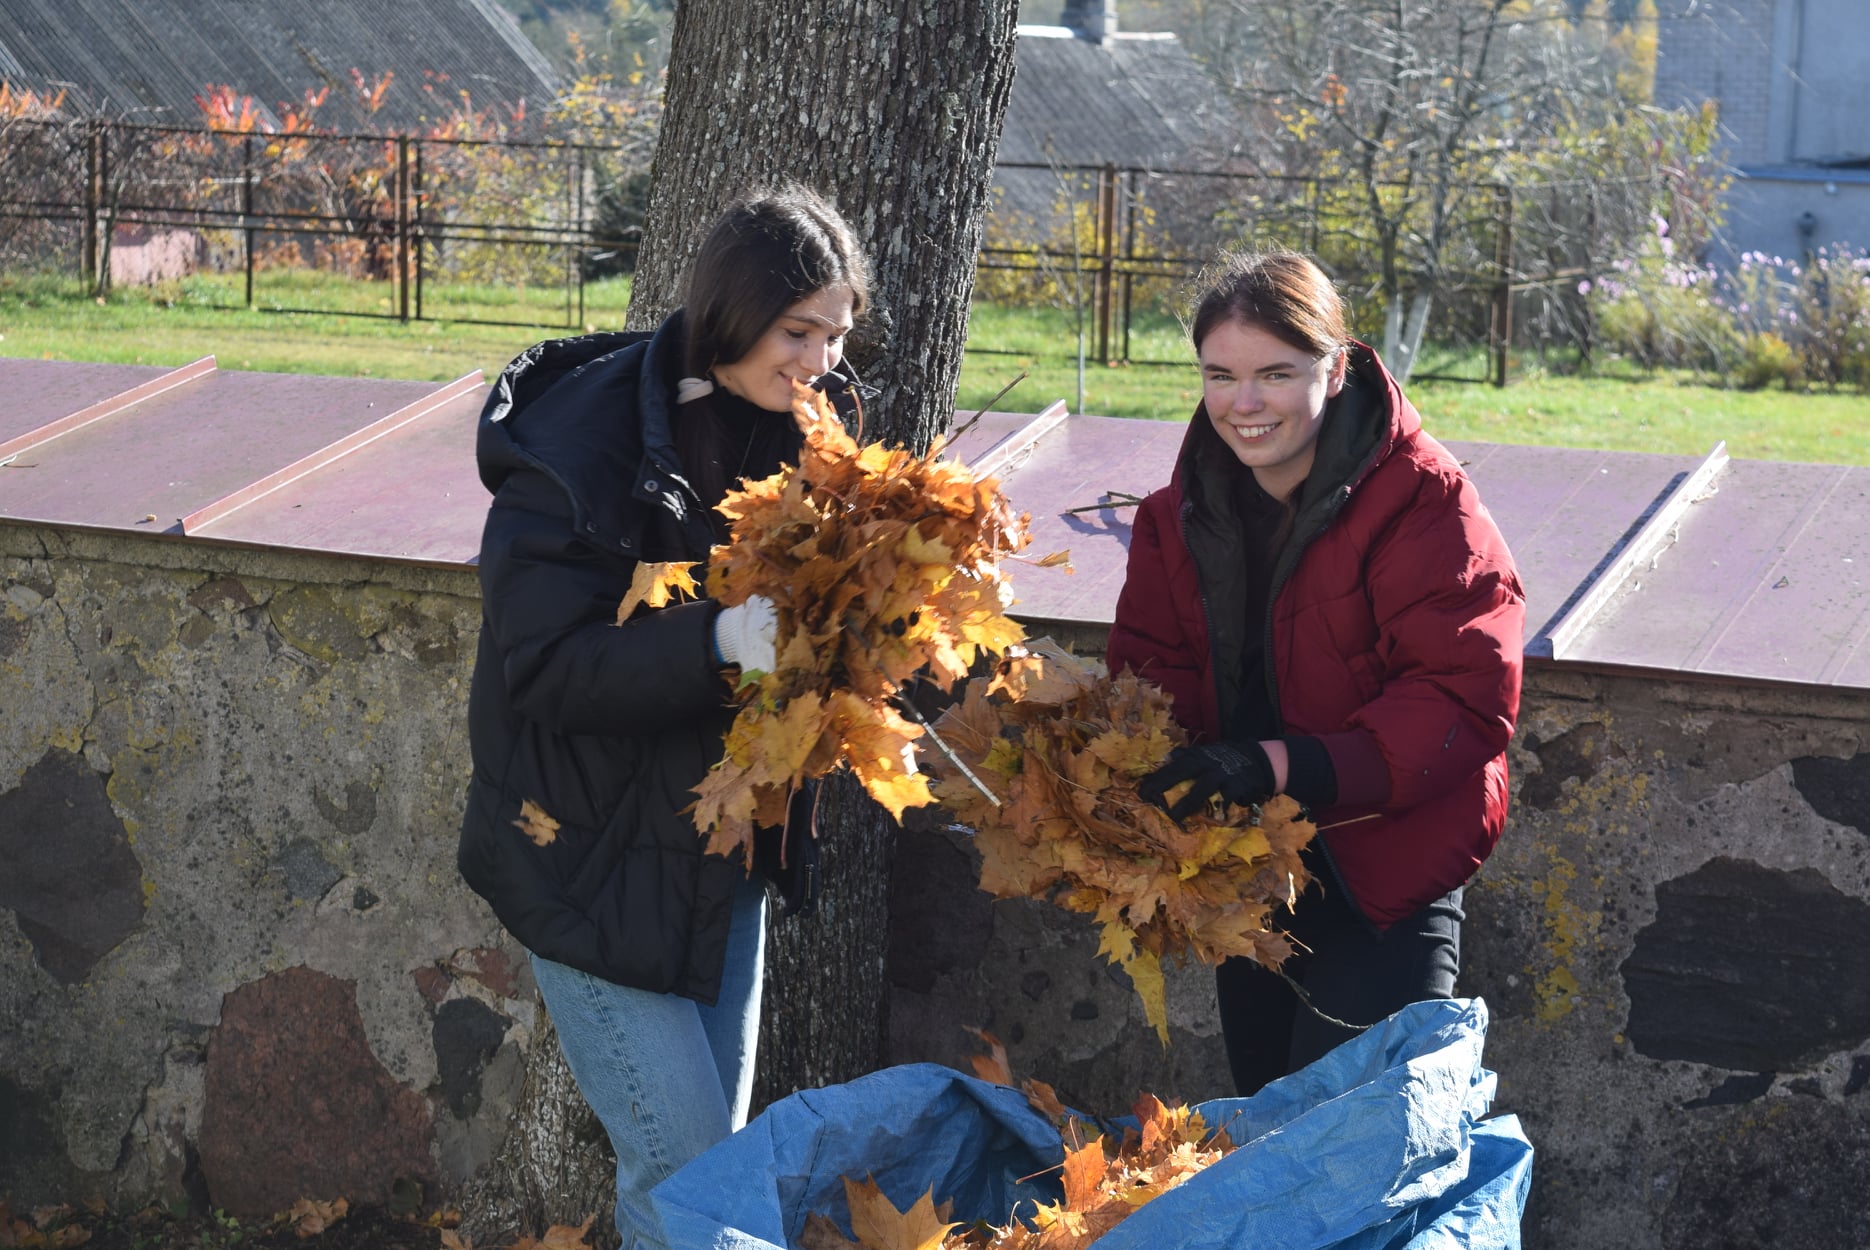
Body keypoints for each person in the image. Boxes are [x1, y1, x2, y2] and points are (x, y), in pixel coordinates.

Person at [456, 186, 870, 1248]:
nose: (821, 361)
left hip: (721, 857)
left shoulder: (818, 433)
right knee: (691, 1171)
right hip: (585, 854)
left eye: (836, 334)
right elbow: (544, 664)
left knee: (701, 1173)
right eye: (798, 331)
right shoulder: (582, 443)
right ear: (735, 311)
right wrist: (717, 642)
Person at [1107, 251, 1525, 1096]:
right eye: (1220, 375)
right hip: (1247, 875)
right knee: (1271, 1130)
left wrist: (1273, 763)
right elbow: (1150, 678)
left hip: (1386, 876)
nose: (1244, 403)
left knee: (1353, 1137)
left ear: (1335, 371)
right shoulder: (1173, 517)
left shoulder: (1425, 501)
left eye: (1275, 374)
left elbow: (1461, 697)